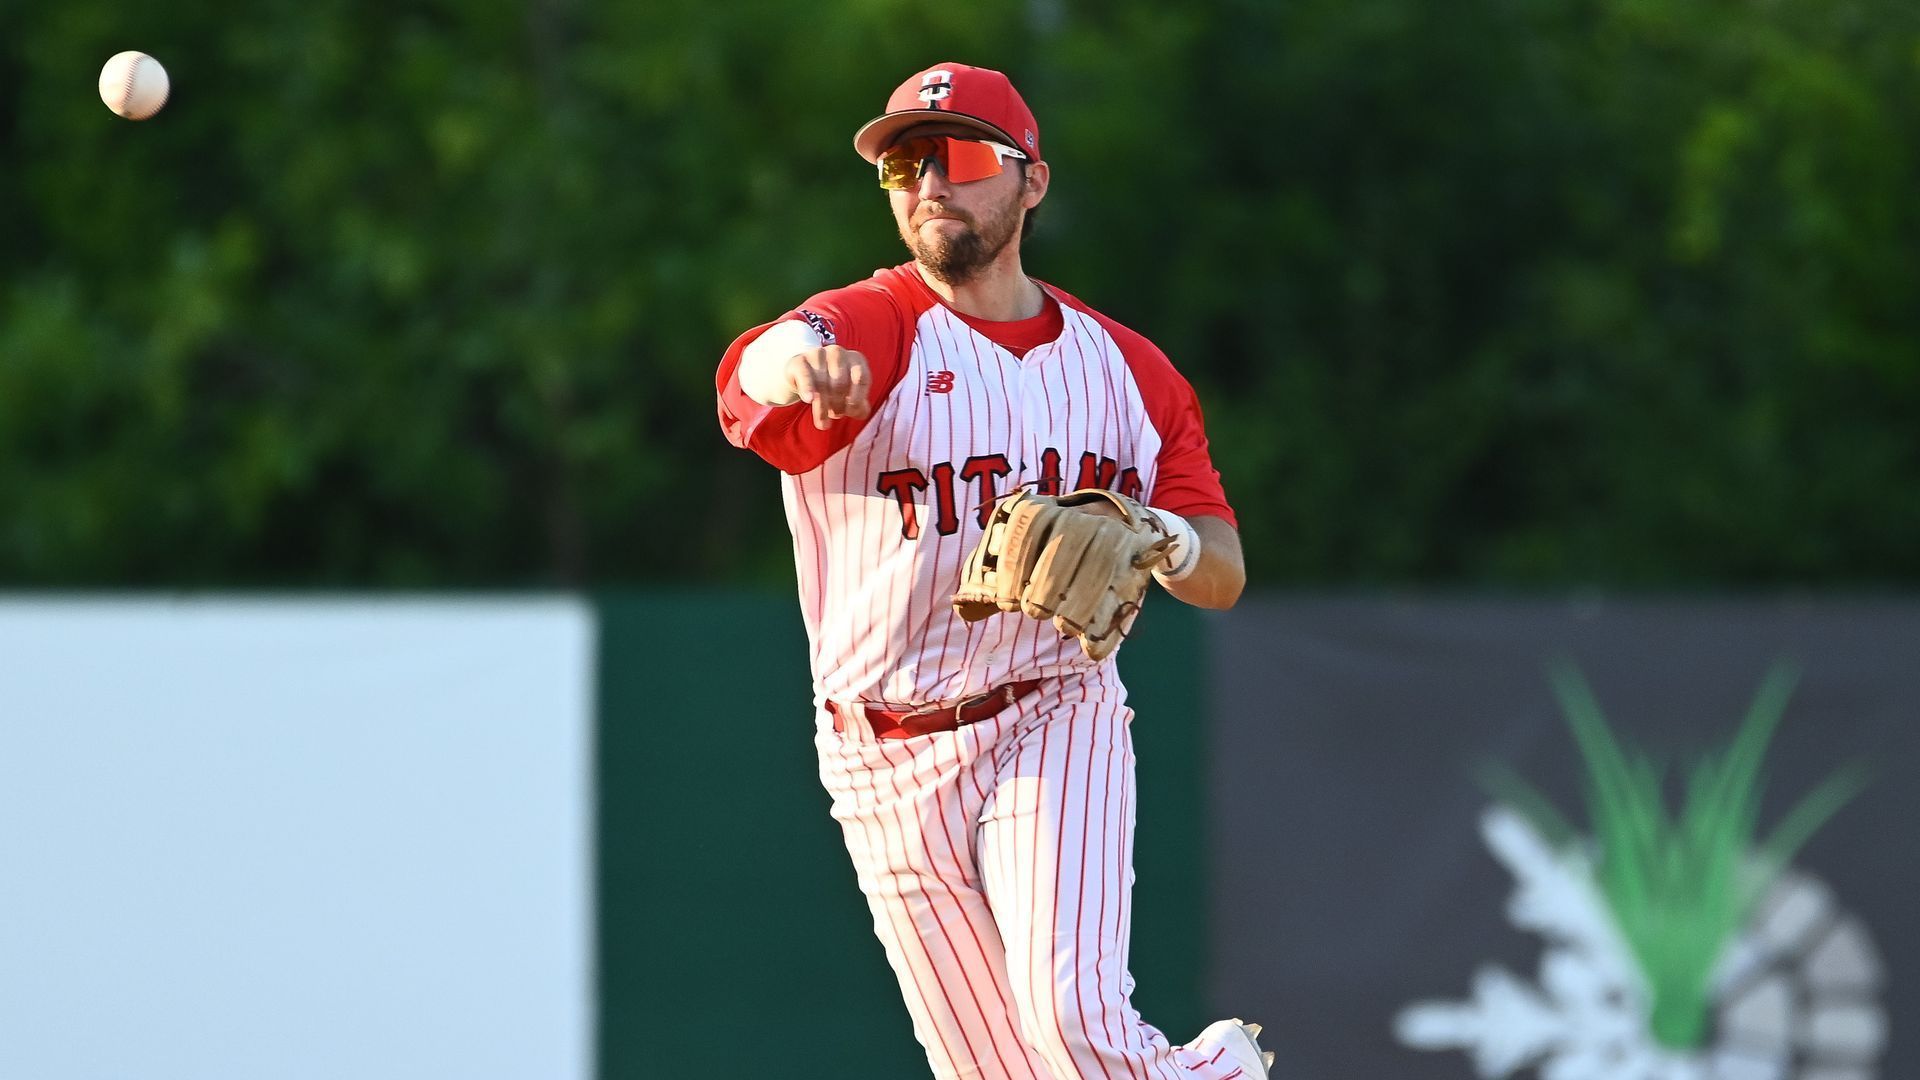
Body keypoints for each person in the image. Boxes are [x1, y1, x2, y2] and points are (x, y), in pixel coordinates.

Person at [715, 61, 1267, 1079]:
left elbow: (1221, 569)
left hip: (1050, 711)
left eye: (960, 157)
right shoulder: (874, 327)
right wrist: (793, 361)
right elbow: (762, 362)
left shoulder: (1128, 373)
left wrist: (1164, 540)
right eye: (906, 166)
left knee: (1072, 1028)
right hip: (879, 751)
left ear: (1033, 181)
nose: (930, 183)